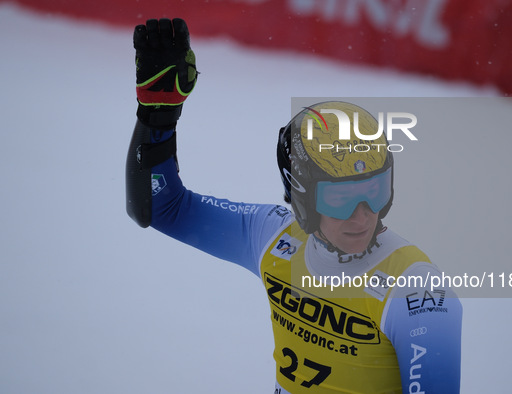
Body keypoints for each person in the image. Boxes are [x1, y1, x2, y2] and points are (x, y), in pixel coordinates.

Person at [126, 18, 462, 394]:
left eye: (375, 190)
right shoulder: (271, 235)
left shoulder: (418, 291)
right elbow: (161, 207)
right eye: (341, 197)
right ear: (300, 197)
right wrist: (158, 115)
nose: (364, 214)